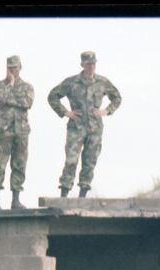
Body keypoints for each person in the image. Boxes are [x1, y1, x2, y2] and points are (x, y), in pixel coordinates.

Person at [47, 50, 122, 197]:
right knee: (71, 161)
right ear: (82, 64)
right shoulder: (71, 82)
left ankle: (82, 196)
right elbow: (52, 96)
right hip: (76, 127)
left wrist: (106, 111)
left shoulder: (102, 82)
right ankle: (64, 195)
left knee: (89, 162)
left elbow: (117, 98)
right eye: (88, 64)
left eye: (93, 64)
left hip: (95, 129)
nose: (91, 66)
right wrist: (65, 112)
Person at [0, 54, 34, 210]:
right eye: (10, 68)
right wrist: (11, 84)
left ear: (20, 67)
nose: (12, 70)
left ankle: (15, 200)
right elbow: (1, 97)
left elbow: (27, 103)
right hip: (4, 130)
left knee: (19, 164)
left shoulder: (28, 87)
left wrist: (6, 102)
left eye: (15, 67)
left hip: (21, 131)